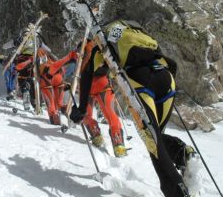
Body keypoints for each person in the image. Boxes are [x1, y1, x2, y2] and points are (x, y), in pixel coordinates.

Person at [70, 20, 195, 197]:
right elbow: (172, 65)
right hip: (165, 77)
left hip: (140, 81)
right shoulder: (136, 33)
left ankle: (176, 193)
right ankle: (180, 152)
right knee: (156, 137)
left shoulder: (103, 43)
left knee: (152, 142)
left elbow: (87, 72)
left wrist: (81, 108)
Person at [36, 47, 77, 125]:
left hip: (53, 81)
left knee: (58, 104)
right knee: (53, 106)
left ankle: (67, 115)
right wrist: (69, 57)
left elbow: (60, 65)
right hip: (48, 81)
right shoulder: (52, 65)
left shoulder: (56, 66)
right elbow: (59, 64)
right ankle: (59, 116)